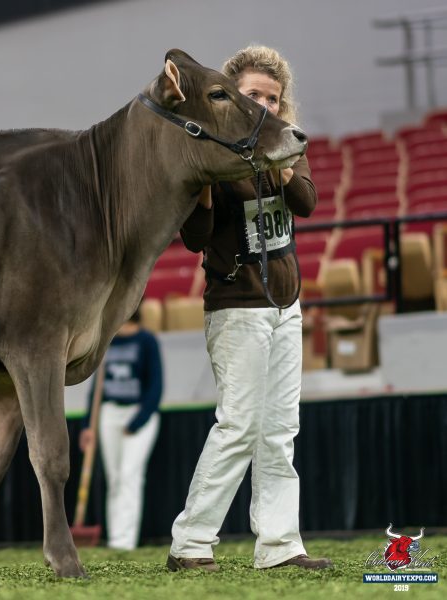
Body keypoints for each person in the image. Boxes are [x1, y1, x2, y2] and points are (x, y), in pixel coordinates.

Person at [167, 45, 332, 572]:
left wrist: (280, 165)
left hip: (286, 304)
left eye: (273, 98)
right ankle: (191, 542)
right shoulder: (212, 154)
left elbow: (307, 202)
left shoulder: (288, 143)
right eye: (253, 95)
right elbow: (195, 238)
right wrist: (206, 188)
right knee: (238, 425)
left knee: (280, 430)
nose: (264, 104)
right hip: (236, 306)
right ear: (234, 97)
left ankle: (280, 545)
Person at [79, 306, 162, 551]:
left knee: (129, 475)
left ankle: (126, 540)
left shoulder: (147, 341)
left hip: (138, 415)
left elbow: (155, 387)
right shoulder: (106, 341)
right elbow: (96, 392)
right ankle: (115, 538)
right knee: (114, 477)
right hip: (109, 414)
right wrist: (88, 425)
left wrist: (137, 422)